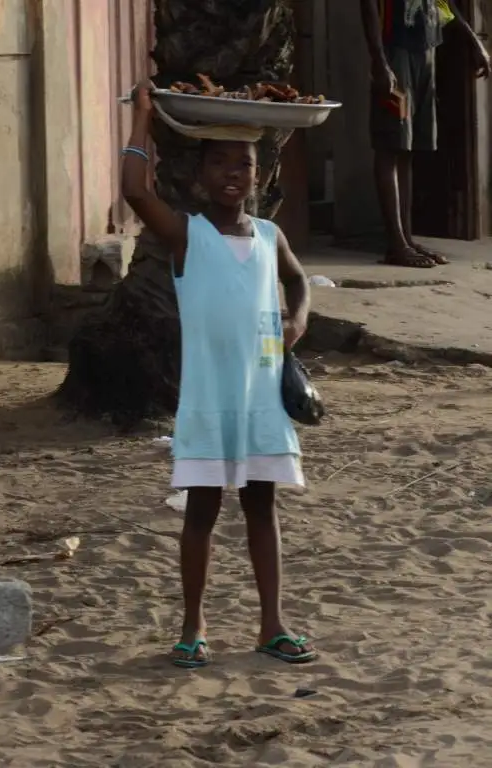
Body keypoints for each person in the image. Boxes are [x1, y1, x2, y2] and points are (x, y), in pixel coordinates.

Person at [121, 83, 318, 668]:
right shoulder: (188, 234)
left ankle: (272, 625)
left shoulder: (269, 237)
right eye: (220, 162)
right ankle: (193, 628)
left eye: (245, 163)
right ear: (200, 175)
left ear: (259, 175)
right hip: (209, 400)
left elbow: (298, 280)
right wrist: (141, 118)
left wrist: (298, 319)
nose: (233, 173)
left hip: (261, 399)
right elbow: (135, 190)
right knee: (202, 513)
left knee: (262, 508)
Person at [360, 0, 491, 268]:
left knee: (408, 148)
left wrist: (474, 41)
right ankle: (396, 244)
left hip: (426, 50)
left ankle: (406, 239)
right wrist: (379, 60)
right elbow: (369, 5)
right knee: (391, 144)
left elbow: (444, 4)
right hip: (395, 51)